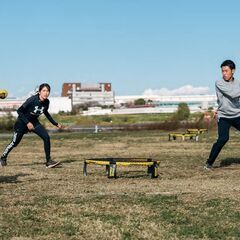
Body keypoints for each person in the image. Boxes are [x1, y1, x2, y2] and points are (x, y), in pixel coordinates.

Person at [0, 83, 62, 168]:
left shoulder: (47, 102)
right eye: (44, 90)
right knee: (14, 143)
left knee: (46, 137)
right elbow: (19, 111)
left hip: (34, 123)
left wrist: (55, 123)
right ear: (39, 92)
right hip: (21, 123)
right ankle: (3, 158)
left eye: (48, 91)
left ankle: (48, 162)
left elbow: (46, 113)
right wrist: (27, 123)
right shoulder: (32, 100)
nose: (46, 93)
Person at [205, 60, 240, 169]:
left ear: (233, 71)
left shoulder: (238, 83)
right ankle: (209, 163)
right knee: (223, 139)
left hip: (237, 115)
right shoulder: (219, 83)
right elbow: (233, 94)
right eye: (222, 71)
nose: (224, 73)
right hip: (224, 116)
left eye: (226, 71)